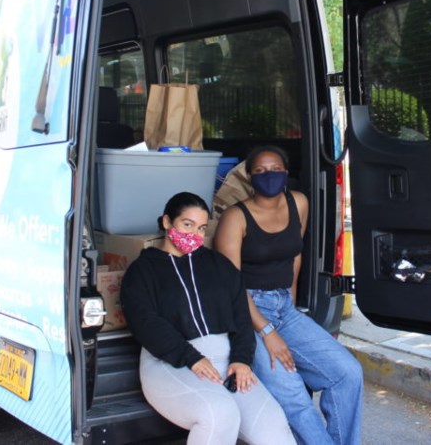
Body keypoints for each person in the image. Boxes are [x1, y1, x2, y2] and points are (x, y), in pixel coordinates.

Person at [215, 145, 363, 445]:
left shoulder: (299, 203)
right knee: (294, 395)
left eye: (275, 169)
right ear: (249, 176)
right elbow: (230, 284)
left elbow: (294, 256)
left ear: (286, 172)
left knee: (348, 373)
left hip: (285, 306)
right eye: (260, 171)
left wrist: (291, 306)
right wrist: (267, 331)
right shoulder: (236, 217)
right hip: (248, 312)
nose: (268, 176)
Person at [120, 192, 295, 445]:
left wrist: (242, 359)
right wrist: (192, 358)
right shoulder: (143, 271)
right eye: (187, 225)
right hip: (170, 363)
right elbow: (146, 323)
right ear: (167, 222)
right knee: (219, 414)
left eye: (202, 228)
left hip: (227, 361)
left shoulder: (219, 266)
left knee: (274, 426)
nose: (195, 234)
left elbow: (241, 317)